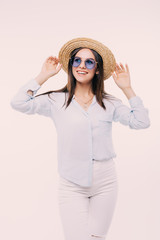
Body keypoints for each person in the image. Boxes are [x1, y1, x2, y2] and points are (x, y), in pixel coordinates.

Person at [10, 37, 150, 240]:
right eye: (77, 60)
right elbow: (19, 102)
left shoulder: (109, 103)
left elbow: (141, 122)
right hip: (71, 183)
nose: (81, 66)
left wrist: (127, 89)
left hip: (106, 181)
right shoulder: (55, 100)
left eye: (89, 62)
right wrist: (43, 75)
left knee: (97, 237)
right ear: (71, 65)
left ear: (98, 69)